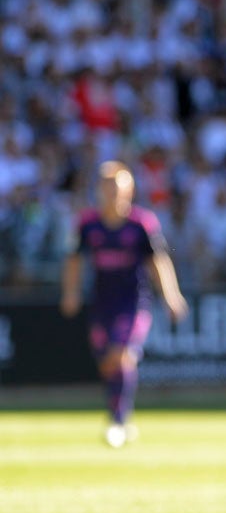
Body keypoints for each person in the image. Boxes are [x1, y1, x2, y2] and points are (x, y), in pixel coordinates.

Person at [60, 160, 189, 447]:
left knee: (123, 355)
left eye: (117, 187)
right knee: (108, 364)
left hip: (133, 302)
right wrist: (70, 292)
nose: (111, 192)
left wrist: (171, 294)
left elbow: (158, 260)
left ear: (129, 191)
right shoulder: (86, 223)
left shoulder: (142, 223)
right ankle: (119, 416)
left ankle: (117, 422)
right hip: (101, 302)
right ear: (98, 189)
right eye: (106, 186)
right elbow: (73, 260)